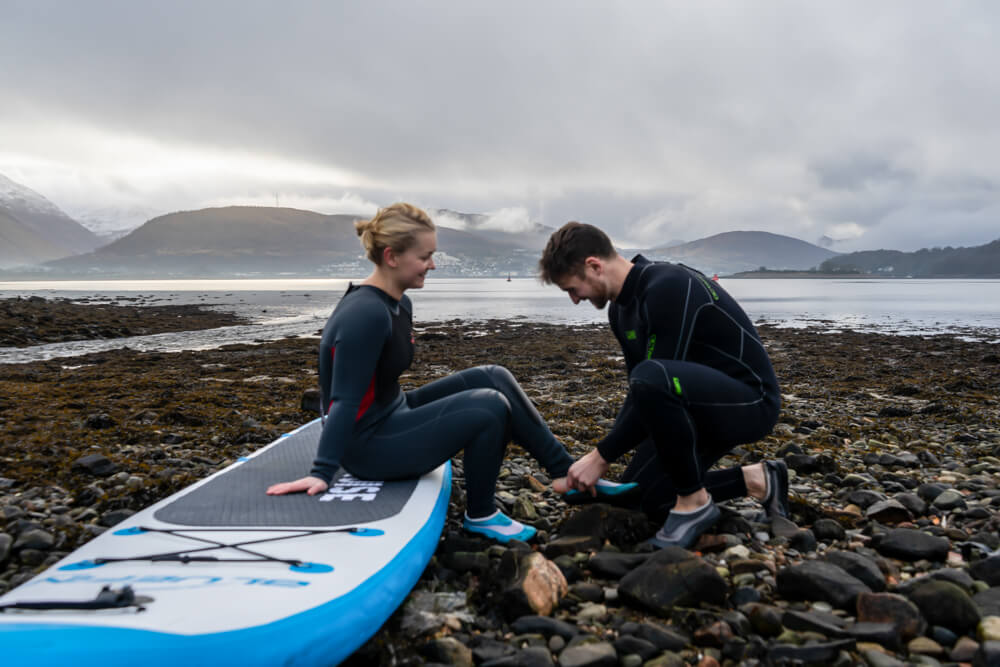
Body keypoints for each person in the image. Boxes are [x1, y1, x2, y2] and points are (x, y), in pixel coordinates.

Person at [267, 204, 632, 543]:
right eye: (425, 257)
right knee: (489, 407)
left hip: (395, 413)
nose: (433, 265)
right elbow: (343, 400)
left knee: (493, 376)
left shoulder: (397, 304)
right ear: (392, 257)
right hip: (368, 449)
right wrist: (322, 471)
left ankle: (564, 472)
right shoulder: (364, 314)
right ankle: (482, 514)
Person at [541, 222, 788, 549]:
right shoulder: (620, 311)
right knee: (639, 497)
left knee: (651, 376)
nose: (574, 300)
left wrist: (600, 456)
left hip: (750, 403)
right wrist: (606, 463)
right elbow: (640, 396)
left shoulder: (667, 285)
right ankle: (759, 479)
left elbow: (654, 381)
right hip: (690, 406)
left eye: (572, 289)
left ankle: (694, 504)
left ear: (594, 266)